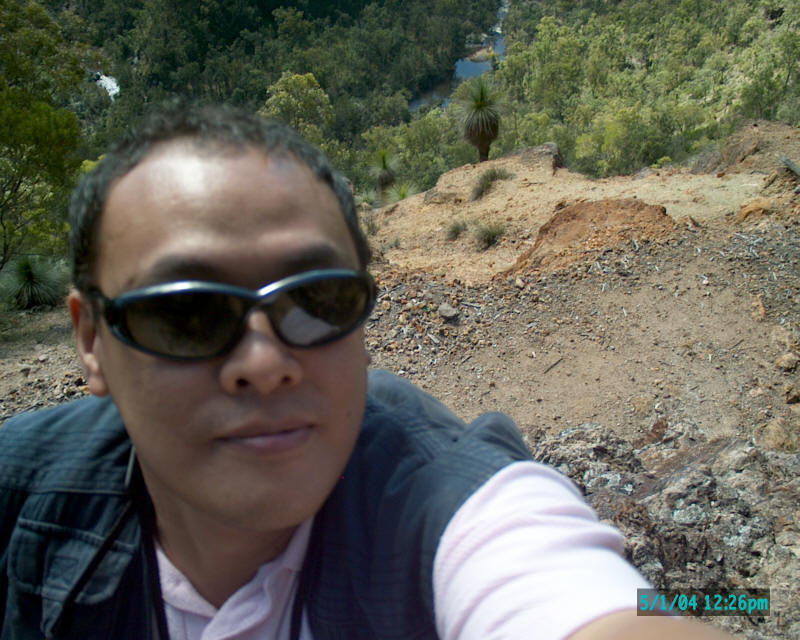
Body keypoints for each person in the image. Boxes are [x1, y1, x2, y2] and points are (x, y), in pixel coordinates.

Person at [0, 104, 735, 640]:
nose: (265, 363)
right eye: (187, 312)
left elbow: (575, 600)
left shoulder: (445, 509)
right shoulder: (22, 492)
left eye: (318, 299)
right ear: (91, 339)